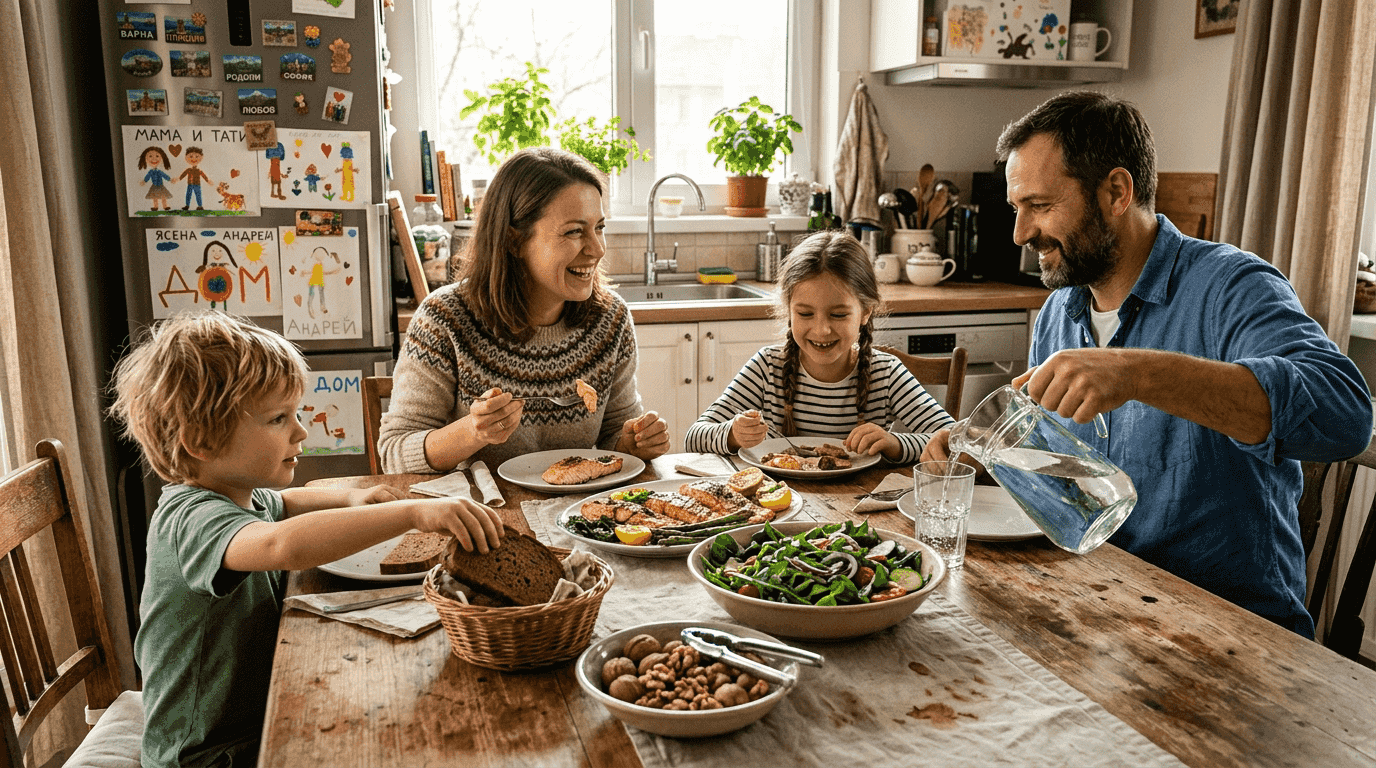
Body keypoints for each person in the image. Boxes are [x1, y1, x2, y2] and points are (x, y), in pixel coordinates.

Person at [921, 91, 1372, 637]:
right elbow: (1060, 476)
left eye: (1039, 206)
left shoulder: (1231, 286)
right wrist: (981, 455)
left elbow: (1347, 416)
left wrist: (1138, 373)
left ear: (1116, 191)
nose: (1020, 233)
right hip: (1098, 612)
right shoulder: (1059, 313)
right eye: (1017, 209)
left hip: (1232, 635)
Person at [108, 311, 504, 768]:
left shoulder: (236, 494)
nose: (301, 430)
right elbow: (283, 545)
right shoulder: (190, 520)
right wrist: (412, 511)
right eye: (279, 418)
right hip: (209, 753)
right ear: (200, 441)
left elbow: (288, 503)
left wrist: (353, 500)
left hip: (258, 715)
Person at [379, 147, 670, 471]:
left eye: (599, 227)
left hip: (574, 512)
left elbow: (614, 433)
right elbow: (395, 453)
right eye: (574, 231)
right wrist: (472, 432)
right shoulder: (444, 319)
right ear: (514, 241)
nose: (597, 248)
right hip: (478, 515)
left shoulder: (610, 319)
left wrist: (632, 442)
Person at [684, 230, 953, 461]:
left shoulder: (886, 374)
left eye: (838, 315)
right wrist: (732, 433)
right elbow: (694, 437)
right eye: (805, 314)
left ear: (866, 312)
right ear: (788, 310)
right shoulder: (767, 367)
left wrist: (895, 444)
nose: (822, 330)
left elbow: (952, 441)